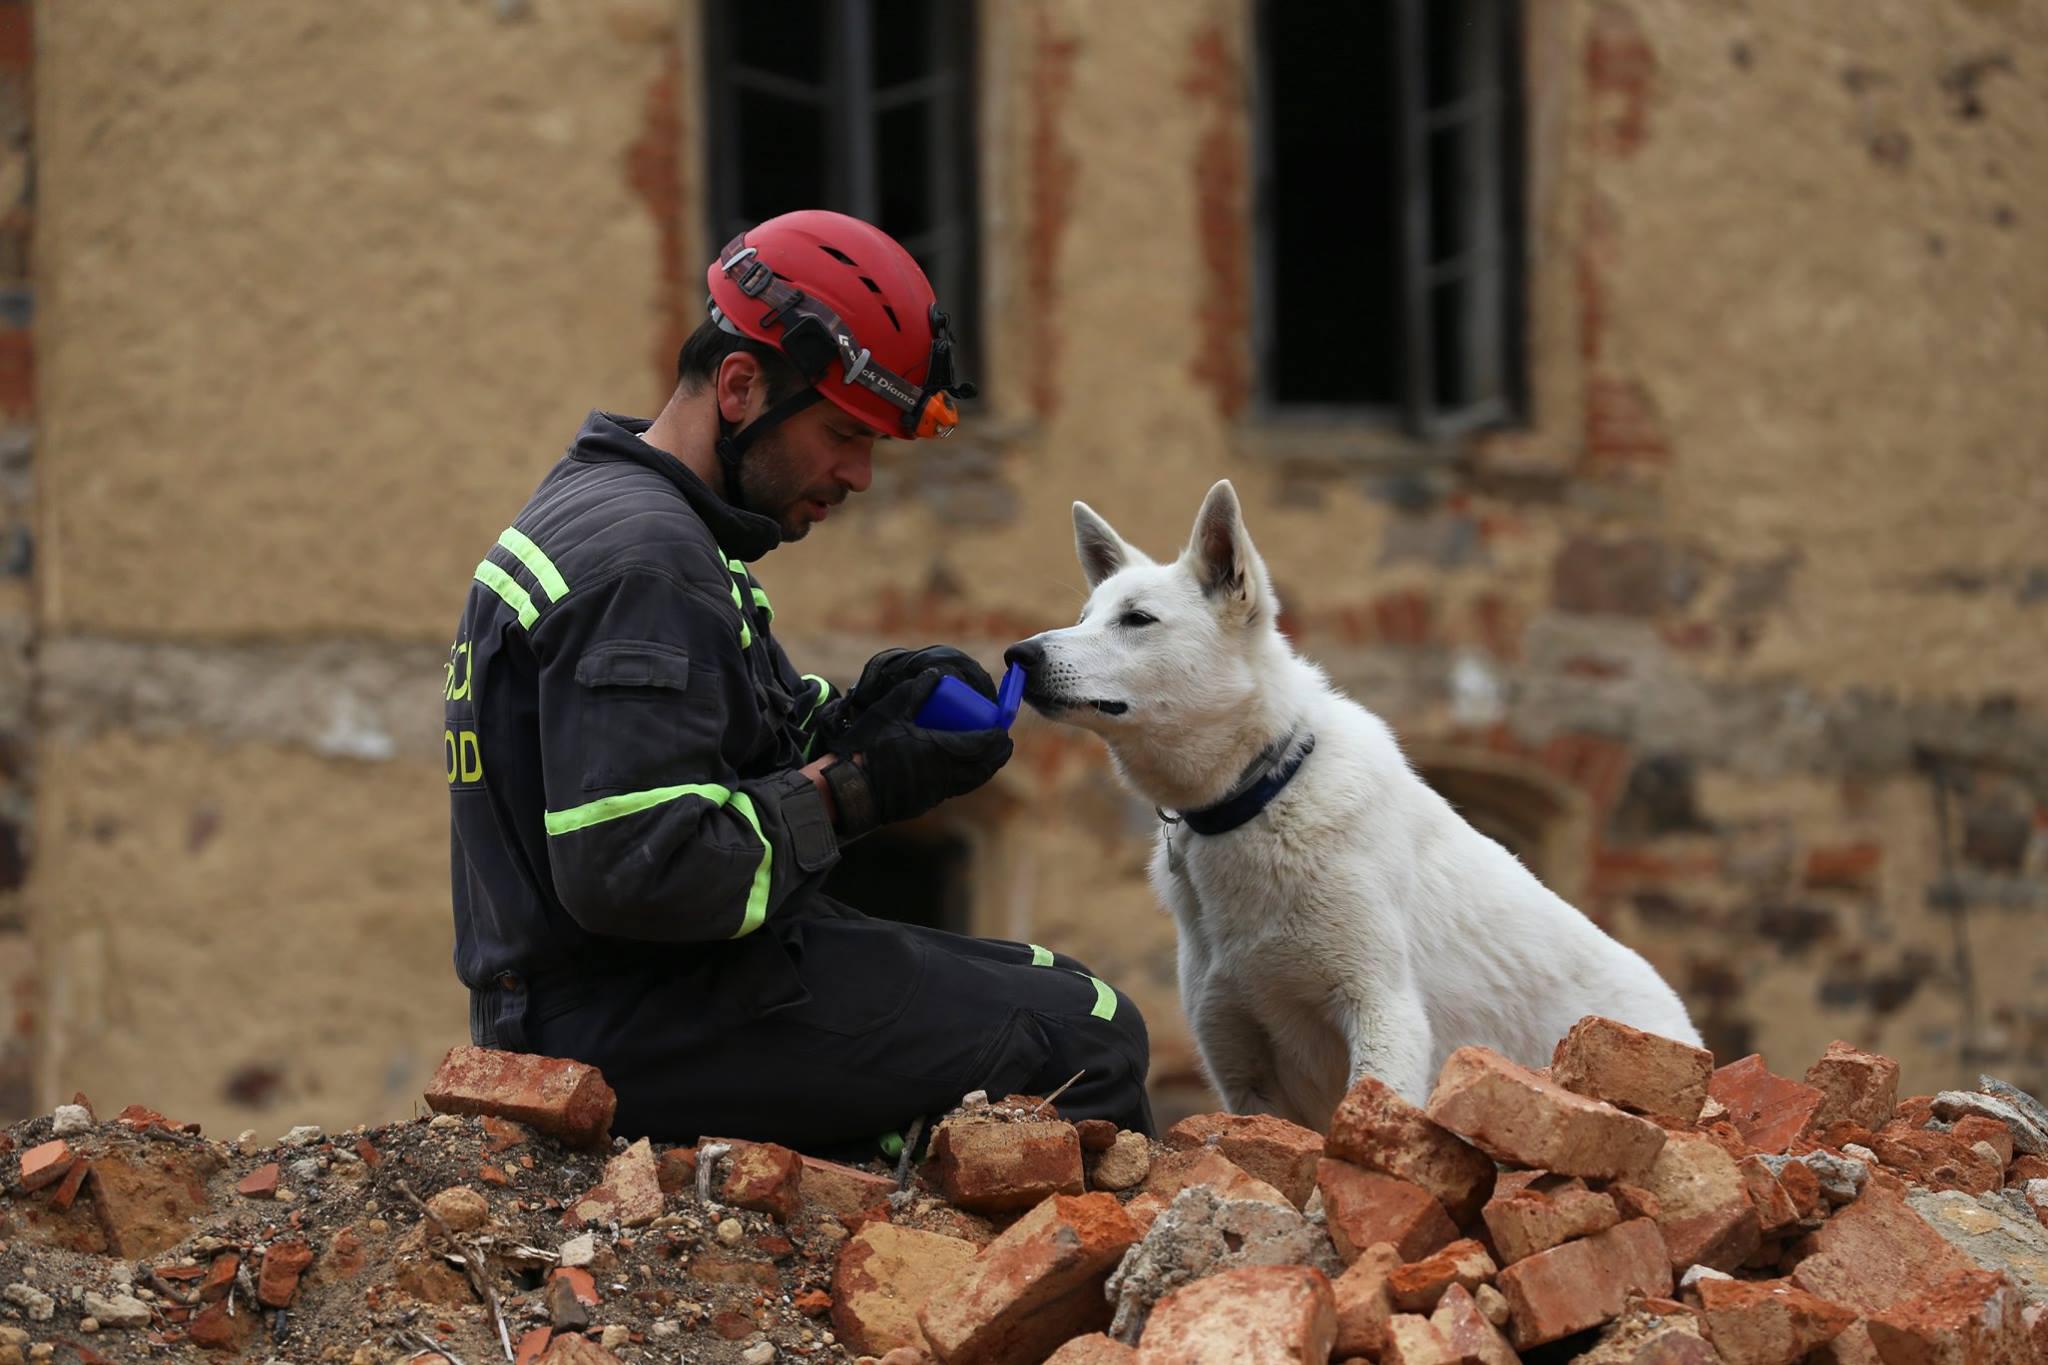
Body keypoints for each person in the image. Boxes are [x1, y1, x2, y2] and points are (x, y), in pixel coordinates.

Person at [444, 209, 1154, 1153]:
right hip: (628, 1020)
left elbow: (714, 745)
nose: (858, 475)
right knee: (1081, 1039)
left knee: (1060, 986)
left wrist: (864, 716)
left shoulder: (620, 512)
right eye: (840, 433)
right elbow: (639, 869)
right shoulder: (646, 562)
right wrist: (857, 785)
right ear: (739, 385)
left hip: (633, 994)